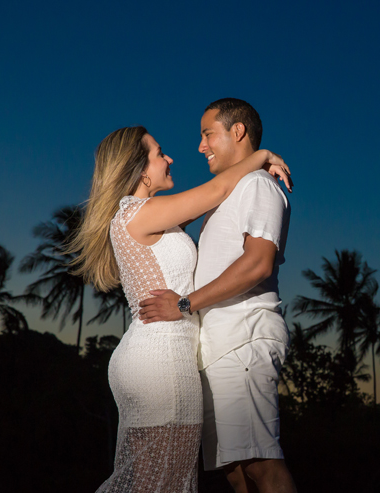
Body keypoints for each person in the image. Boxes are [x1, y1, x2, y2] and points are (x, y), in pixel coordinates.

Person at [67, 125, 291, 492]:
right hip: (163, 359)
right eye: (159, 153)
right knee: (161, 484)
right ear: (139, 170)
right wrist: (261, 157)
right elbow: (216, 190)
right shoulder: (138, 213)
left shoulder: (144, 217)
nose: (170, 158)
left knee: (150, 482)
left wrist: (248, 174)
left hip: (152, 358)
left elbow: (216, 199)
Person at [138, 98, 297, 493]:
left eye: (208, 134)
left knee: (261, 464)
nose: (200, 146)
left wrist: (184, 305)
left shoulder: (259, 187)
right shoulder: (231, 191)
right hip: (217, 347)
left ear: (237, 131)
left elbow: (259, 263)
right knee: (236, 473)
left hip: (243, 338)